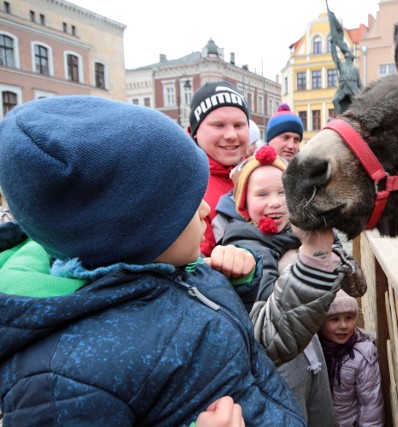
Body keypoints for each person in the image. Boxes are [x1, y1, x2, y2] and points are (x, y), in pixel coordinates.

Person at [0, 96, 305, 426]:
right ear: (139, 228)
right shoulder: (59, 375)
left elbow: (217, 332)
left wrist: (237, 283)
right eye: (190, 204)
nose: (206, 210)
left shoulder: (177, 270)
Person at [216, 144, 369, 426]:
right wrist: (304, 264)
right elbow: (267, 306)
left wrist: (326, 253)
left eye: (283, 193)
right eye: (262, 194)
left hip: (313, 350)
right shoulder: (245, 244)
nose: (274, 202)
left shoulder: (304, 234)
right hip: (279, 366)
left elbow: (356, 286)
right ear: (244, 205)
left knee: (322, 413)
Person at [188, 81, 250, 257]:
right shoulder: (185, 184)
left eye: (239, 125)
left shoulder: (258, 174)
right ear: (195, 131)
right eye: (219, 125)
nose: (231, 135)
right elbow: (192, 267)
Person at [319, 290, 385, 427]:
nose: (343, 326)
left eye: (348, 318)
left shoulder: (362, 356)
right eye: (334, 319)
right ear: (320, 322)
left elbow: (371, 405)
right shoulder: (313, 349)